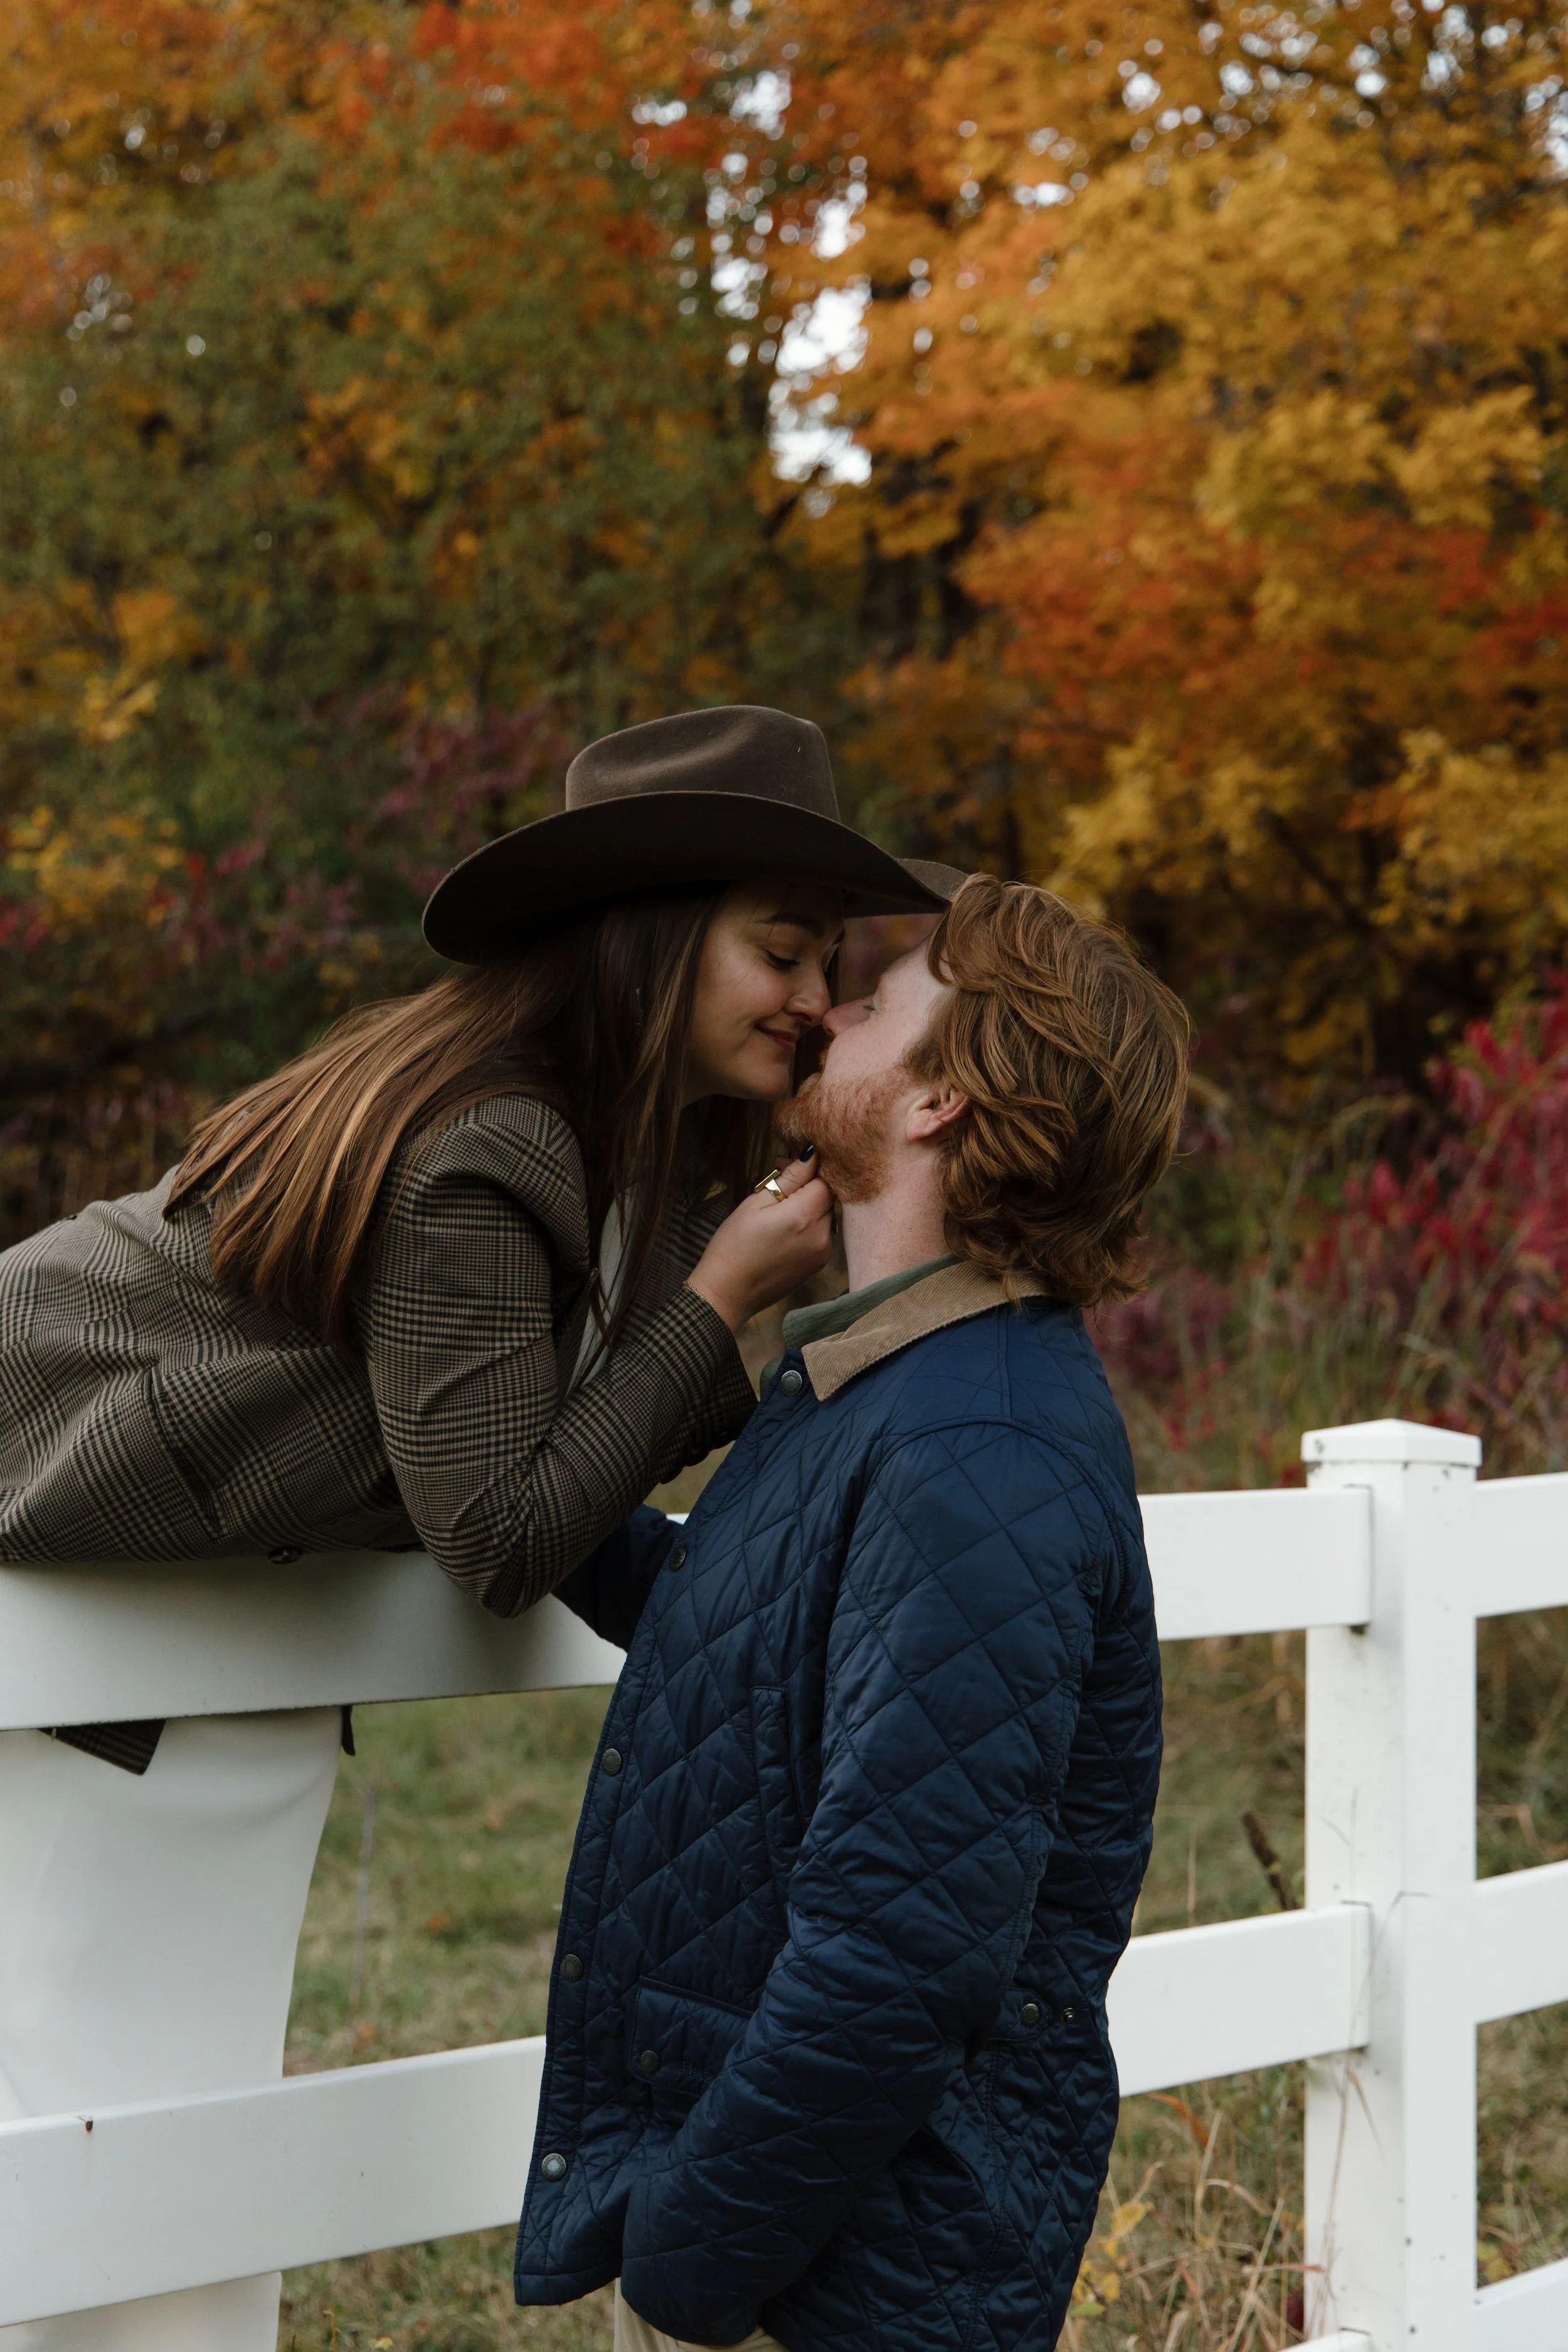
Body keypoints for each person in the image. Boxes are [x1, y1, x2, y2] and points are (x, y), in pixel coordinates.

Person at [0, 704, 958, 2352]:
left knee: (156, 2142)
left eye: (831, 962)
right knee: (98, 2133)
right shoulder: (488, 1142)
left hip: (201, 1653)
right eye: (782, 949)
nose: (815, 998)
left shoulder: (612, 1150)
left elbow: (570, 1436)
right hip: (88, 1644)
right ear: (655, 937)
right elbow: (504, 1530)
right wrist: (720, 1298)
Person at [517, 875, 1190, 2352]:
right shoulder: (888, 1383)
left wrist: (688, 2266)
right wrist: (501, 1474)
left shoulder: (978, 1445)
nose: (827, 1009)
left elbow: (897, 1953)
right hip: (791, 2244)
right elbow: (747, 1628)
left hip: (837, 2283)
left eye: (877, 1001)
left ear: (940, 1098)